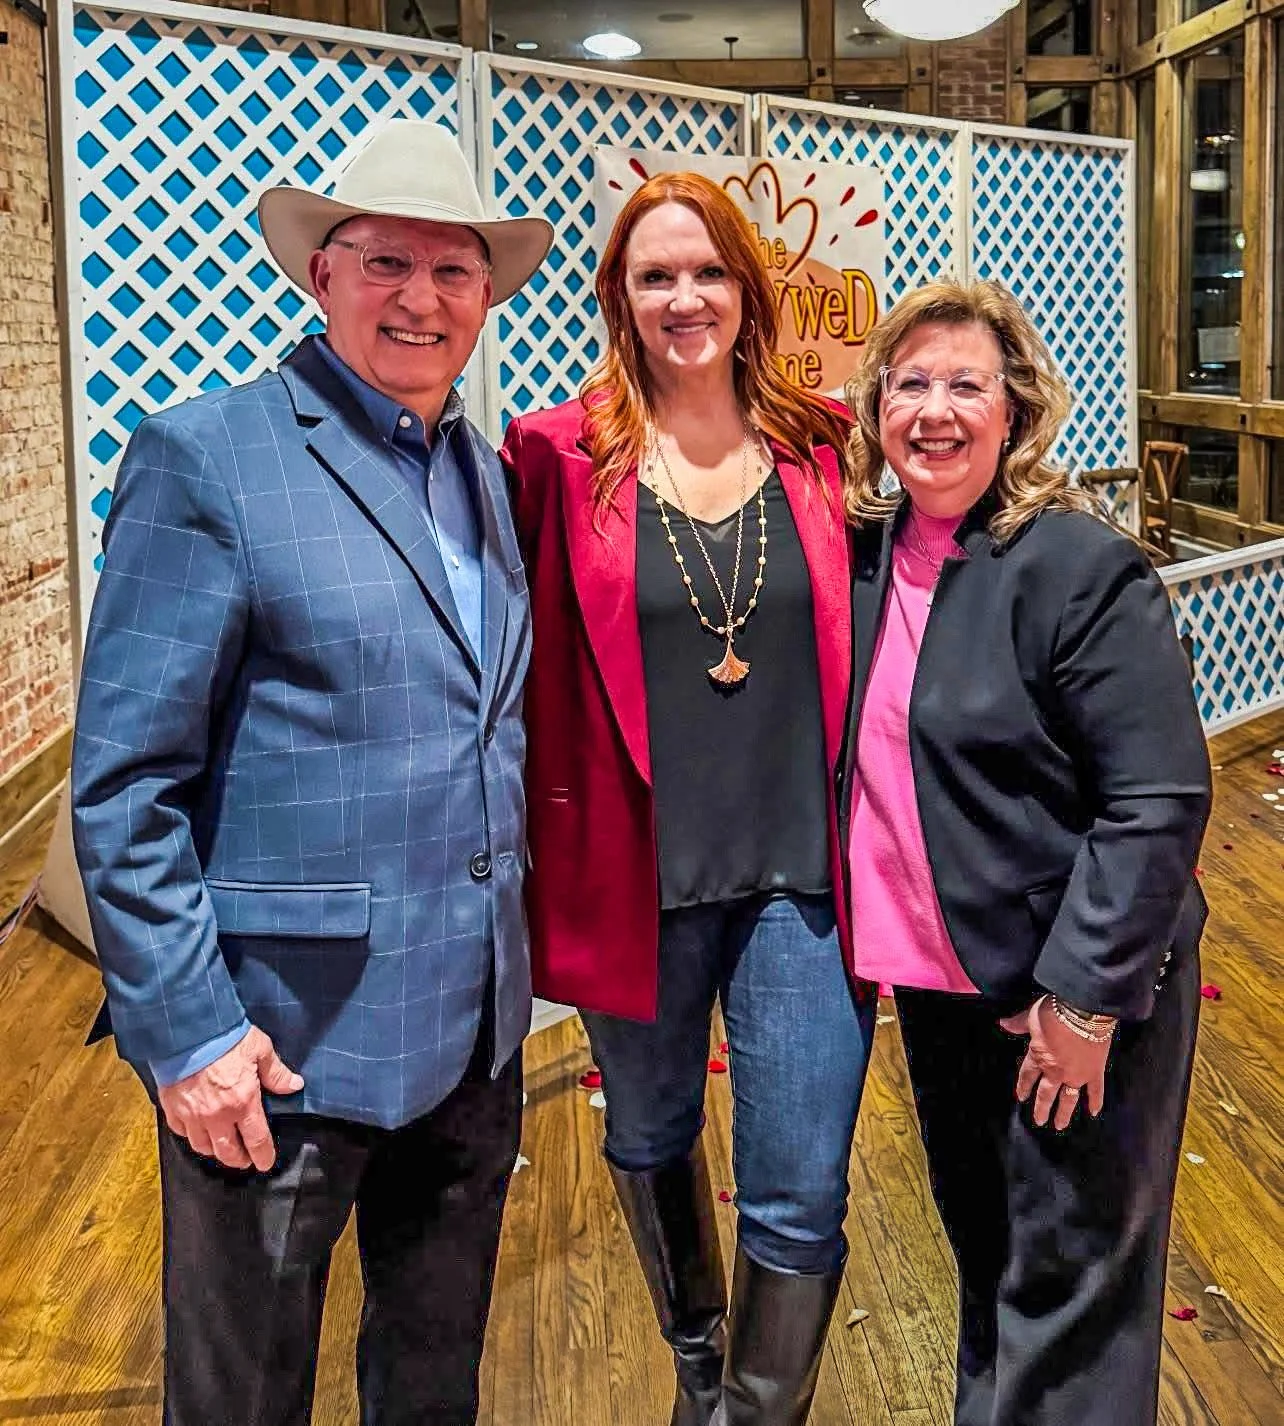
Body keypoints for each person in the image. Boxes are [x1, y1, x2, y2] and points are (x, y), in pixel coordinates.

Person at [71, 119, 552, 1426]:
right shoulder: (207, 458)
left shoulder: (490, 477)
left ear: (487, 297)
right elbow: (124, 783)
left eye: (453, 273)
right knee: (242, 1393)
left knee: (435, 1377)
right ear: (322, 276)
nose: (420, 298)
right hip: (272, 1050)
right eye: (385, 262)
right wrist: (189, 1035)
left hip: (471, 1034)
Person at [500, 171, 875, 1426]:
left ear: (748, 287)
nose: (684, 296)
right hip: (636, 881)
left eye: (707, 270)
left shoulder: (823, 444)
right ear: (620, 297)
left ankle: (754, 1415)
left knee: (802, 1185)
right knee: (650, 1136)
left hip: (803, 885)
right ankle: (701, 1373)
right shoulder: (556, 456)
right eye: (655, 275)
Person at [839, 279, 1212, 1426]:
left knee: (1076, 1289)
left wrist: (1087, 1002)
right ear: (877, 411)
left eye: (968, 385)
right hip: (948, 991)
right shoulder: (870, 555)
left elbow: (1157, 798)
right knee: (997, 1263)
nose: (937, 410)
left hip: (1072, 993)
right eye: (912, 384)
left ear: (1016, 413)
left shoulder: (1075, 568)